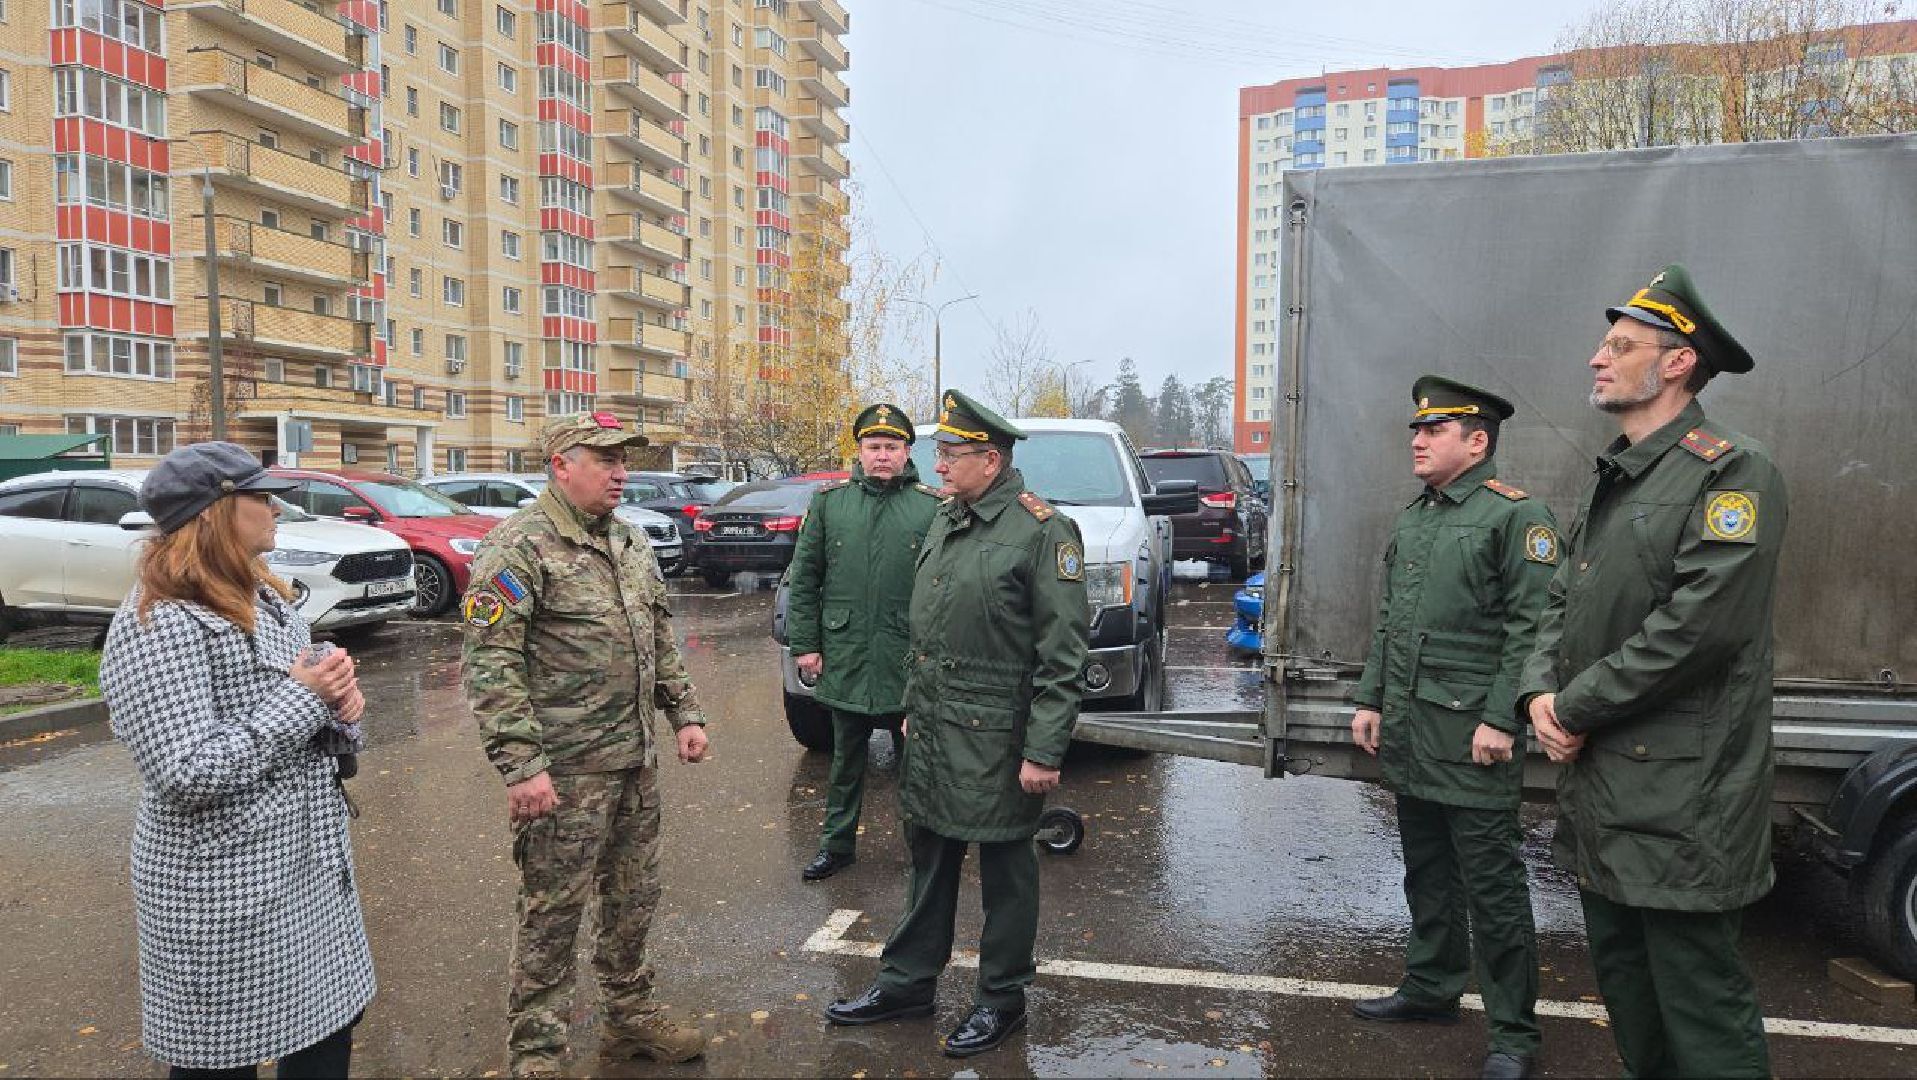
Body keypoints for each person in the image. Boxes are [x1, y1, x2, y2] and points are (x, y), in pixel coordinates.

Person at [1520, 264, 1786, 1078]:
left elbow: (1698, 630)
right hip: (1604, 791)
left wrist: (1573, 706)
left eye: (1619, 346)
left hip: (1683, 800)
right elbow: (1557, 599)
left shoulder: (1730, 472)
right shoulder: (1619, 475)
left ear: (1675, 363)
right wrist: (1537, 691)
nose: (1598, 360)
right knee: (1631, 1003)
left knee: (1700, 1013)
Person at [825, 390, 1090, 1058]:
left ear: (989, 460)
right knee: (929, 860)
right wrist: (915, 706)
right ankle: (907, 980)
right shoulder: (951, 519)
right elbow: (929, 628)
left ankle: (1001, 999)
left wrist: (1043, 749)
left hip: (1000, 737)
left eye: (949, 454)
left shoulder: (1041, 531)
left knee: (1005, 871)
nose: (936, 466)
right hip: (937, 726)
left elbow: (1063, 656)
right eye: (937, 453)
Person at [100, 441, 372, 1079]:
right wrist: (306, 700)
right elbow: (183, 772)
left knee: (325, 1042)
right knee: (219, 1062)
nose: (276, 507)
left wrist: (340, 708)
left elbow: (305, 721)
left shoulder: (267, 599)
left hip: (306, 879)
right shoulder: (159, 622)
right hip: (223, 898)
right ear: (217, 511)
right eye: (259, 495)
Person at [463, 412, 712, 1078]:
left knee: (633, 898)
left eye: (622, 460)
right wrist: (522, 767)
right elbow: (492, 663)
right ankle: (537, 1054)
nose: (620, 472)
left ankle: (630, 1023)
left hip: (633, 761)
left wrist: (683, 711)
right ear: (560, 465)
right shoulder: (518, 547)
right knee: (552, 911)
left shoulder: (629, 541)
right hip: (564, 773)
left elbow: (657, 634)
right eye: (604, 459)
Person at [1349, 378, 1559, 1080]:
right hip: (1412, 728)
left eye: (1433, 431)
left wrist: (1503, 718)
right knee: (1426, 871)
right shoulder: (1417, 518)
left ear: (1476, 441)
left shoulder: (1514, 517)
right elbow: (1390, 621)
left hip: (1473, 737)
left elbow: (1534, 632)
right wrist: (1371, 697)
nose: (1416, 439)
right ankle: (1431, 987)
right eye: (1416, 429)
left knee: (1492, 888)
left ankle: (1513, 1035)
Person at [786, 402, 941, 881]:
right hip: (847, 651)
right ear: (859, 450)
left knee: (915, 761)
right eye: (873, 447)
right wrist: (805, 645)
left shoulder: (931, 506)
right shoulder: (831, 505)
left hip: (906, 656)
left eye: (891, 447)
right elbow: (805, 579)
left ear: (907, 451)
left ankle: (922, 850)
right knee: (844, 761)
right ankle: (836, 845)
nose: (881, 456)